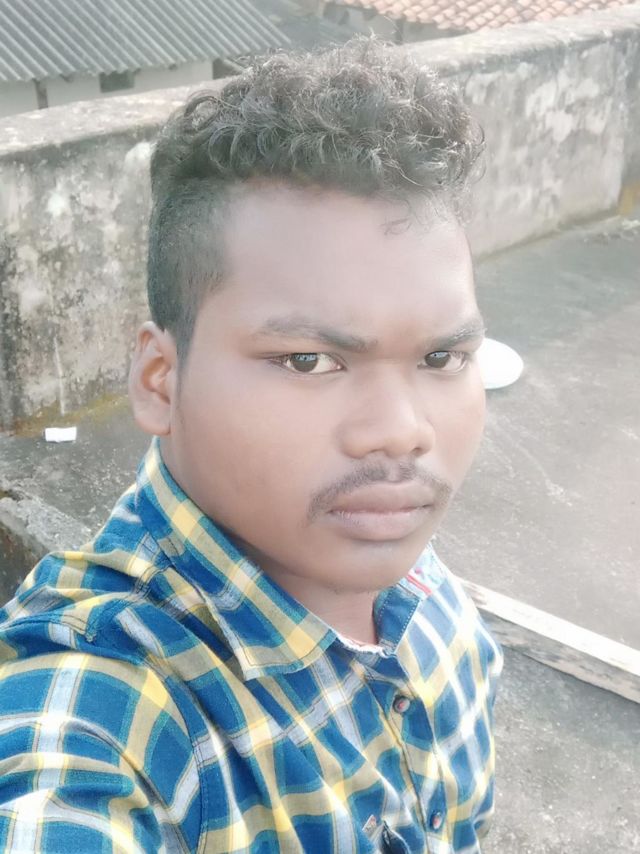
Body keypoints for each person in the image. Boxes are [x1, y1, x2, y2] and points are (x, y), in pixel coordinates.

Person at [0, 38, 502, 853]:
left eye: (441, 358)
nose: (402, 430)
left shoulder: (421, 588)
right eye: (308, 361)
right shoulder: (104, 708)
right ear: (160, 381)